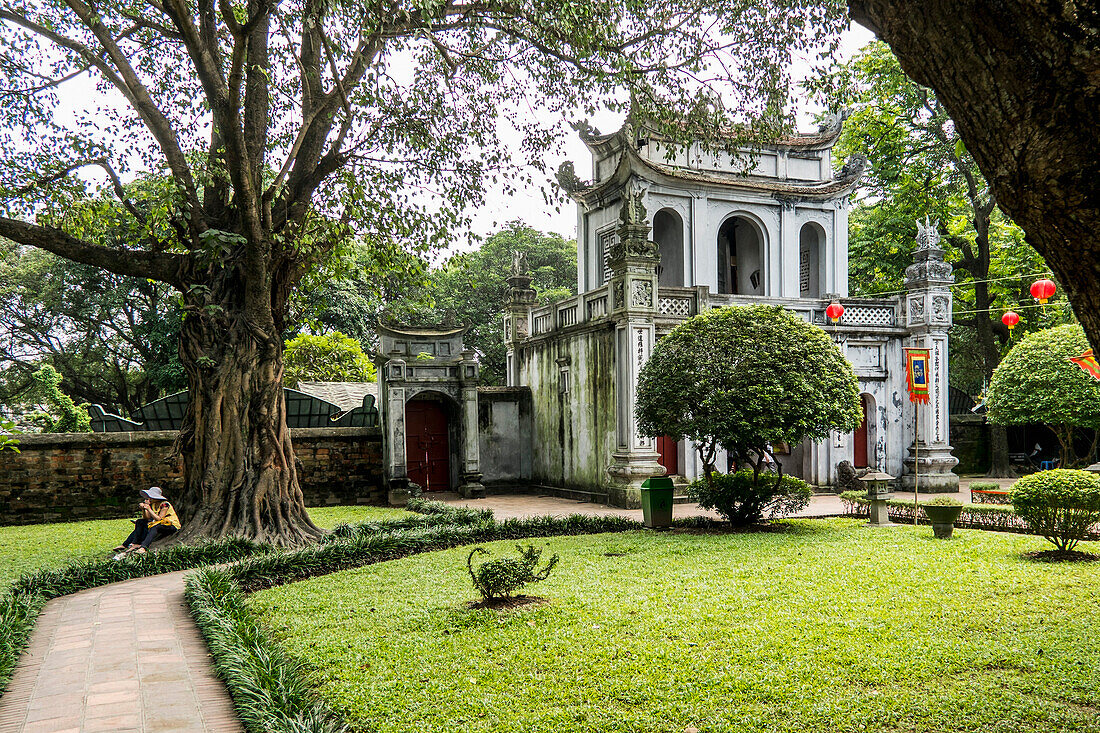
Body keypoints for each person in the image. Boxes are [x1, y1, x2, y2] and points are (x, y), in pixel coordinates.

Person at [112, 487, 181, 555]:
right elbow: (146, 518)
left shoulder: (165, 504)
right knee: (140, 522)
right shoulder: (152, 505)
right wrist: (144, 509)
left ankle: (144, 547)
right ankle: (129, 544)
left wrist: (149, 509)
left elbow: (159, 519)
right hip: (156, 523)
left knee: (155, 527)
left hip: (170, 525)